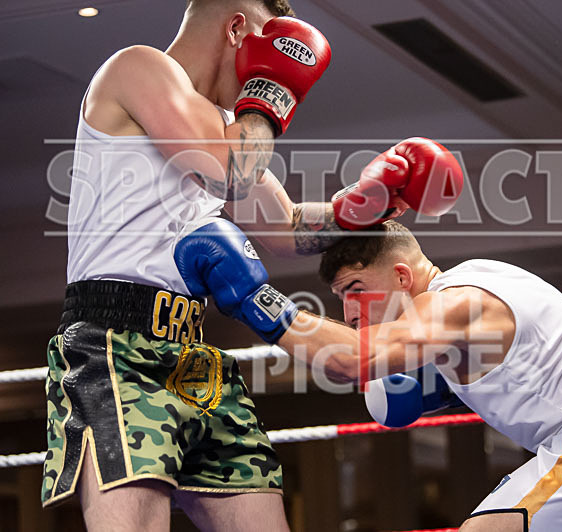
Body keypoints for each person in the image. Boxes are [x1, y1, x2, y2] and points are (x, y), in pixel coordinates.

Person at [43, 0, 461, 527]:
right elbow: (229, 174)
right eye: (269, 41)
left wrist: (361, 208)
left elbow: (284, 229)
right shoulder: (140, 68)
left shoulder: (219, 126)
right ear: (239, 28)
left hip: (190, 347)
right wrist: (272, 90)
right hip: (112, 345)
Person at [174, 219, 562, 531]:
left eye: (357, 291)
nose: (352, 312)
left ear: (403, 275)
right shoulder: (487, 283)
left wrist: (252, 301)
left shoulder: (450, 302)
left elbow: (356, 359)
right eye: (341, 301)